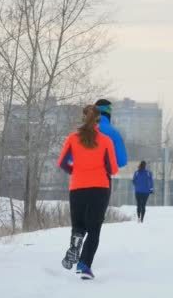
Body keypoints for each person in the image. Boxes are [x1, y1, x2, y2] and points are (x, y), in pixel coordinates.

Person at [57, 105, 118, 280]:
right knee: (94, 230)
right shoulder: (106, 141)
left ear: (83, 118)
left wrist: (75, 171)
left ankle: (76, 242)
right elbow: (113, 169)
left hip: (77, 188)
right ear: (99, 120)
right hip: (99, 189)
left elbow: (62, 162)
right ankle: (84, 265)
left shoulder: (72, 138)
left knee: (79, 225)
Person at [95, 99, 128, 168]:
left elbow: (71, 158)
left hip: (78, 177)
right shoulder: (113, 133)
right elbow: (121, 161)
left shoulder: (81, 131)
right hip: (102, 175)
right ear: (108, 114)